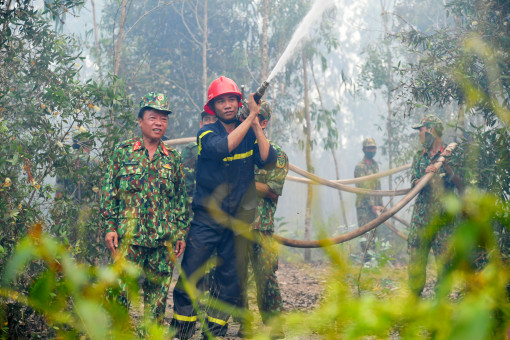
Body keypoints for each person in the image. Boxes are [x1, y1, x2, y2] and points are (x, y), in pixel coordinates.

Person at [171, 76, 277, 339]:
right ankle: (183, 332)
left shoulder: (249, 130)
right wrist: (249, 118)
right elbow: (221, 149)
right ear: (213, 107)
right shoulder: (206, 133)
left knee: (229, 281)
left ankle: (213, 333)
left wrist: (255, 123)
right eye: (221, 101)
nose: (228, 105)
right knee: (191, 275)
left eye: (231, 99)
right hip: (207, 220)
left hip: (238, 221)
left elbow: (268, 160)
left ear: (238, 102)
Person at [100, 92, 189, 325]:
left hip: (162, 244)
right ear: (140, 121)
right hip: (128, 242)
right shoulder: (123, 152)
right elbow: (110, 192)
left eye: (163, 119)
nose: (159, 123)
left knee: (156, 306)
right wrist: (110, 227)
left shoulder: (173, 159)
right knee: (118, 299)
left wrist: (180, 232)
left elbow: (180, 199)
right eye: (153, 117)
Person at [236, 101, 288, 339]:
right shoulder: (235, 149)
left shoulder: (277, 154)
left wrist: (242, 183)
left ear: (263, 122)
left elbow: (273, 190)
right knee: (238, 276)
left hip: (262, 228)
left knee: (266, 277)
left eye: (252, 119)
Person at [408, 114, 463, 296]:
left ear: (431, 130)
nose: (419, 135)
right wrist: (424, 176)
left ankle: (441, 306)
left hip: (443, 221)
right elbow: (413, 184)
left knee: (445, 264)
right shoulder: (418, 157)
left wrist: (445, 167)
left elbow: (462, 185)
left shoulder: (451, 153)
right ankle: (414, 305)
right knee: (416, 262)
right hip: (421, 219)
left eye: (421, 130)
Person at [354, 138, 385, 259]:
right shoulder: (360, 167)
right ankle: (366, 262)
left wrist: (381, 204)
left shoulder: (375, 165)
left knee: (373, 233)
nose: (372, 150)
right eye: (369, 148)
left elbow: (378, 186)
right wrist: (372, 205)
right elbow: (363, 187)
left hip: (375, 207)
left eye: (373, 148)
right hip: (364, 206)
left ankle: (372, 261)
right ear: (364, 150)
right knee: (365, 233)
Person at [180, 111, 218, 213]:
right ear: (201, 124)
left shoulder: (229, 148)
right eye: (207, 119)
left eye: (215, 119)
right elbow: (186, 189)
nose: (211, 123)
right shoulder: (191, 150)